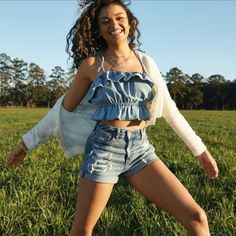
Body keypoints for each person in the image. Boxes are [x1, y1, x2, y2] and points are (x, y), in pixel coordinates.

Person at [7, 1, 219, 235]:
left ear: (130, 23)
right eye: (105, 21)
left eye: (119, 18)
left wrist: (200, 150)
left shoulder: (146, 62)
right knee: (81, 231)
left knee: (197, 218)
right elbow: (61, 109)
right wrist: (26, 143)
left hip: (141, 150)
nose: (114, 25)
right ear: (98, 29)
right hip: (104, 150)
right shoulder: (91, 66)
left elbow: (170, 110)